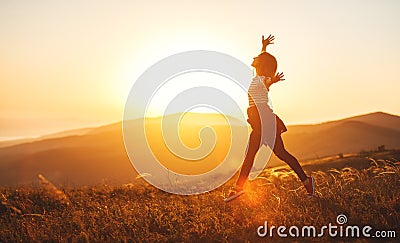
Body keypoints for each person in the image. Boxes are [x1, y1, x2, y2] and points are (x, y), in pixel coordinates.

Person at [224, 34, 315, 202]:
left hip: (264, 120)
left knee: (277, 154)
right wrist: (264, 48)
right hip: (259, 121)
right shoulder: (257, 76)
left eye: (257, 58)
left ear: (262, 64)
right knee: (261, 154)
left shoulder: (262, 80)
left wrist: (273, 80)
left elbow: (267, 80)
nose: (253, 58)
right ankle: (238, 189)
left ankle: (306, 181)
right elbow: (263, 67)